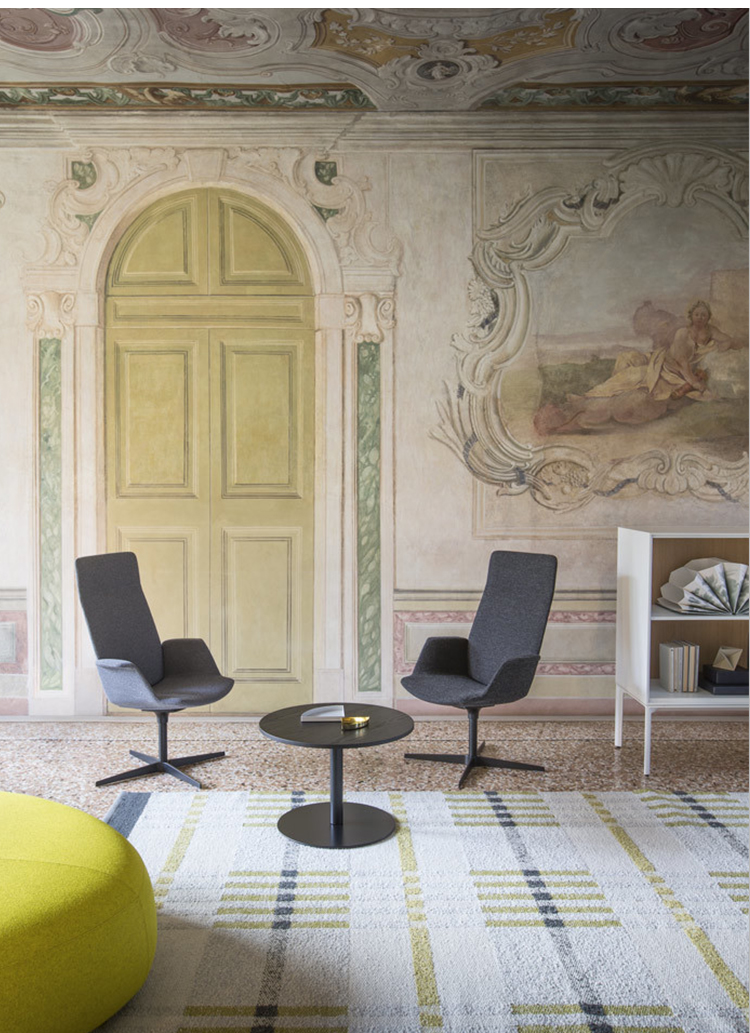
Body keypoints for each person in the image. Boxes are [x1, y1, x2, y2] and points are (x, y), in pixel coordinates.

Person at [533, 299, 739, 435]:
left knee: (633, 388)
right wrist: (694, 382)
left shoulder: (710, 331)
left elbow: (727, 340)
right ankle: (588, 397)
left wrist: (718, 350)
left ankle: (587, 405)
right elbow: (683, 363)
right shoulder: (683, 333)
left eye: (704, 315)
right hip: (666, 368)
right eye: (697, 314)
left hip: (676, 376)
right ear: (691, 316)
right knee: (630, 376)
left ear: (708, 317)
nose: (701, 318)